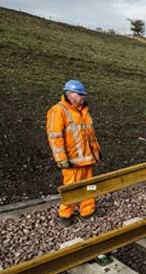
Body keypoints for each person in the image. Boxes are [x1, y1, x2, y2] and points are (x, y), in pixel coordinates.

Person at [46, 80, 101, 226]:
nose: (83, 97)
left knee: (90, 186)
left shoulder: (83, 111)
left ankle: (88, 210)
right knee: (71, 189)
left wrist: (96, 152)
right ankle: (65, 214)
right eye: (80, 94)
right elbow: (55, 137)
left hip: (87, 159)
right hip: (72, 161)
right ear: (70, 94)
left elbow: (90, 134)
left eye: (83, 95)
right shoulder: (58, 111)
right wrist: (61, 158)